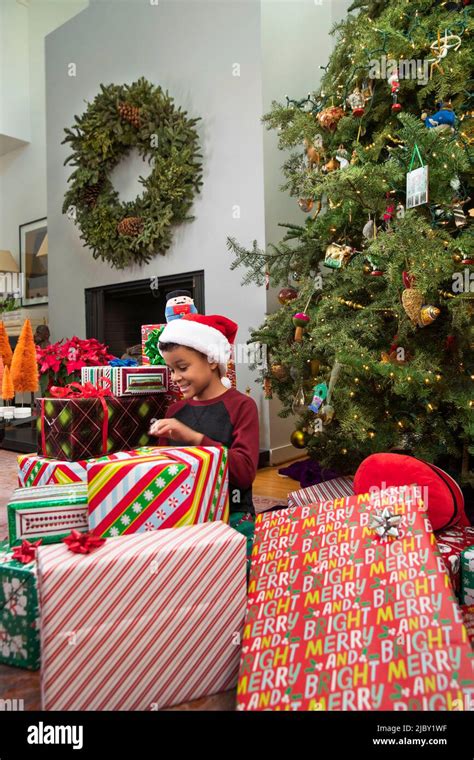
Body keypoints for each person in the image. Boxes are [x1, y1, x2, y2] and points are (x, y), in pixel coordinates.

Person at [148, 313, 259, 569]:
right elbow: (163, 472)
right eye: (171, 369)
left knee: (236, 568)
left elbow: (243, 473)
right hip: (183, 513)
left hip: (232, 512)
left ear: (211, 360)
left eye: (182, 367)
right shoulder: (174, 413)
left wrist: (194, 438)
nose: (175, 377)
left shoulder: (242, 406)